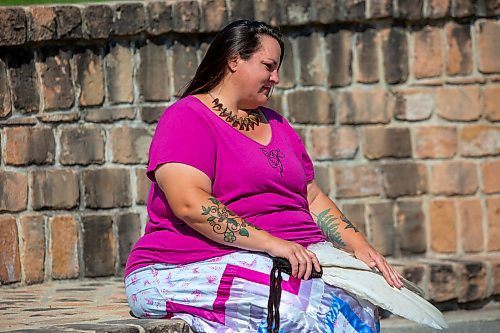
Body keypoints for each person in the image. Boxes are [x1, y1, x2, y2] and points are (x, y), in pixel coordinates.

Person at [124, 19, 404, 333]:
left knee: (358, 300)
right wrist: (274, 245)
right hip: (184, 264)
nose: (277, 78)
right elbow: (190, 203)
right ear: (233, 60)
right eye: (268, 66)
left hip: (287, 257)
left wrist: (358, 246)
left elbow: (310, 196)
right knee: (298, 308)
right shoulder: (187, 118)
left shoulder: (279, 125)